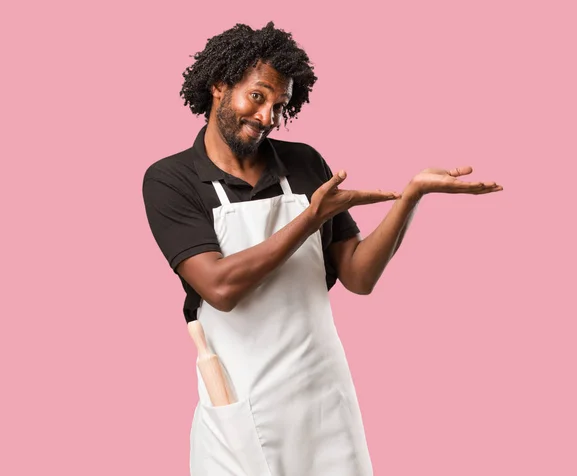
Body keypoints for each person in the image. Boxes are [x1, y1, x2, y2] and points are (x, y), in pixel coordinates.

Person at [142, 21, 502, 476]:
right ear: (218, 84)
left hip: (324, 400)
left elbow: (358, 276)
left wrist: (410, 198)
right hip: (241, 405)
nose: (268, 117)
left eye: (280, 106)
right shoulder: (171, 180)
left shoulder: (304, 163)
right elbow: (220, 287)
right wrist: (310, 217)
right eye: (258, 96)